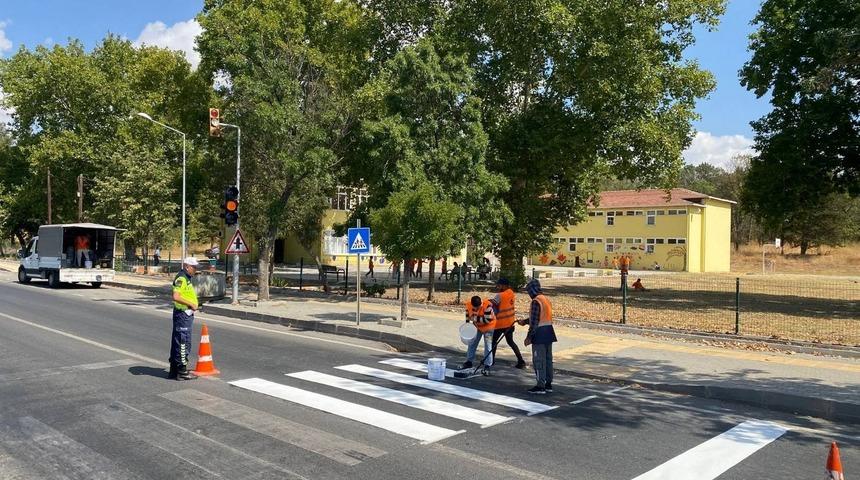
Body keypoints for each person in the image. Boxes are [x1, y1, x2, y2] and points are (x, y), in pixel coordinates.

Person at [518, 279, 557, 394]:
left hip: (539, 334)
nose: (529, 294)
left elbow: (535, 321)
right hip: (549, 332)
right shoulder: (545, 299)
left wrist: (529, 337)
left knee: (539, 360)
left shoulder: (536, 301)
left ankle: (540, 386)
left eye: (529, 291)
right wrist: (524, 321)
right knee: (548, 360)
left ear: (532, 290)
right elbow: (540, 317)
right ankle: (548, 384)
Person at [169, 257, 200, 381]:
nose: (195, 270)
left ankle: (174, 370)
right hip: (183, 314)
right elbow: (176, 296)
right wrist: (191, 304)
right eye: (194, 267)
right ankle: (182, 371)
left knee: (178, 341)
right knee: (183, 341)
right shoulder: (182, 278)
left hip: (183, 314)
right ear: (187, 266)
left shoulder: (186, 278)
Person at [489, 278, 526, 369]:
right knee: (511, 342)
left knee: (493, 342)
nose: (498, 287)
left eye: (499, 285)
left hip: (500, 324)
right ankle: (521, 361)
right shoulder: (511, 293)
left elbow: (492, 304)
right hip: (510, 323)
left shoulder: (499, 295)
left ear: (504, 285)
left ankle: (491, 361)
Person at [463, 295, 496, 372]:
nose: (476, 309)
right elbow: (467, 314)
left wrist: (474, 319)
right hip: (477, 327)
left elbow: (487, 320)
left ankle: (487, 365)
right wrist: (467, 324)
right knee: (472, 343)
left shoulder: (487, 306)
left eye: (477, 308)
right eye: (474, 308)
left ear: (480, 303)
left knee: (488, 346)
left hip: (488, 328)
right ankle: (469, 361)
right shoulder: (469, 305)